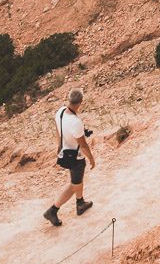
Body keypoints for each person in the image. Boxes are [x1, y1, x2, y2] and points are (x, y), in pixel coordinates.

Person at [43, 88, 96, 227]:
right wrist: (91, 159)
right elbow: (83, 145)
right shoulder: (75, 122)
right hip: (75, 157)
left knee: (76, 180)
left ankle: (80, 203)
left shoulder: (59, 112)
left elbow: (58, 131)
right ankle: (53, 210)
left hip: (64, 152)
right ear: (80, 102)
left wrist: (58, 146)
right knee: (75, 184)